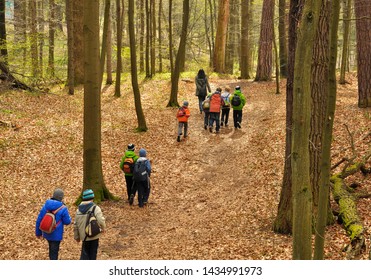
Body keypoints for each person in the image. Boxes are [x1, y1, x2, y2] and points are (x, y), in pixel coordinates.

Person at [35, 188, 72, 260]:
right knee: (54, 252)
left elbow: (39, 220)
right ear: (61, 197)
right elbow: (67, 222)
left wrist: (38, 233)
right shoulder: (63, 208)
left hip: (47, 232)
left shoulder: (45, 206)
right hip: (56, 235)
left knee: (51, 249)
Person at [74, 189, 106, 260]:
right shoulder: (95, 208)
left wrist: (77, 237)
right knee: (93, 254)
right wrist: (103, 228)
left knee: (85, 255)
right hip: (94, 235)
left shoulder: (78, 210)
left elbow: (75, 225)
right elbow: (101, 220)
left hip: (84, 236)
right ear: (92, 198)